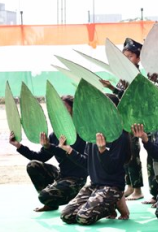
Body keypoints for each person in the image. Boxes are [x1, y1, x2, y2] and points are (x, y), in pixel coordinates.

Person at [59, 94, 131, 225]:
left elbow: (112, 168)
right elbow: (87, 163)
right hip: (94, 185)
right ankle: (105, 204)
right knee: (66, 216)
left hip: (112, 187)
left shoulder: (120, 136)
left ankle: (115, 201)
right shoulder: (93, 134)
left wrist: (102, 151)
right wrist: (69, 150)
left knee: (83, 218)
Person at [9, 95, 87, 212]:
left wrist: (50, 147)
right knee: (33, 165)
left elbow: (71, 155)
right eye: (58, 109)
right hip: (62, 175)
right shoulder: (55, 135)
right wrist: (19, 146)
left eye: (65, 108)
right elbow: (40, 157)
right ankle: (50, 204)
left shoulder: (82, 132)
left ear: (74, 110)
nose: (61, 112)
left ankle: (81, 197)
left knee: (44, 196)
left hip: (77, 179)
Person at [100, 37, 144, 201]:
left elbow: (132, 99)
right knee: (125, 154)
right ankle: (130, 185)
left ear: (138, 58)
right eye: (124, 57)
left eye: (130, 57)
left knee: (133, 154)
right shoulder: (123, 76)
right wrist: (110, 87)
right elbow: (120, 96)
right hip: (122, 120)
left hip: (133, 120)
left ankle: (138, 189)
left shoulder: (136, 76)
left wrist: (116, 89)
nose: (127, 60)